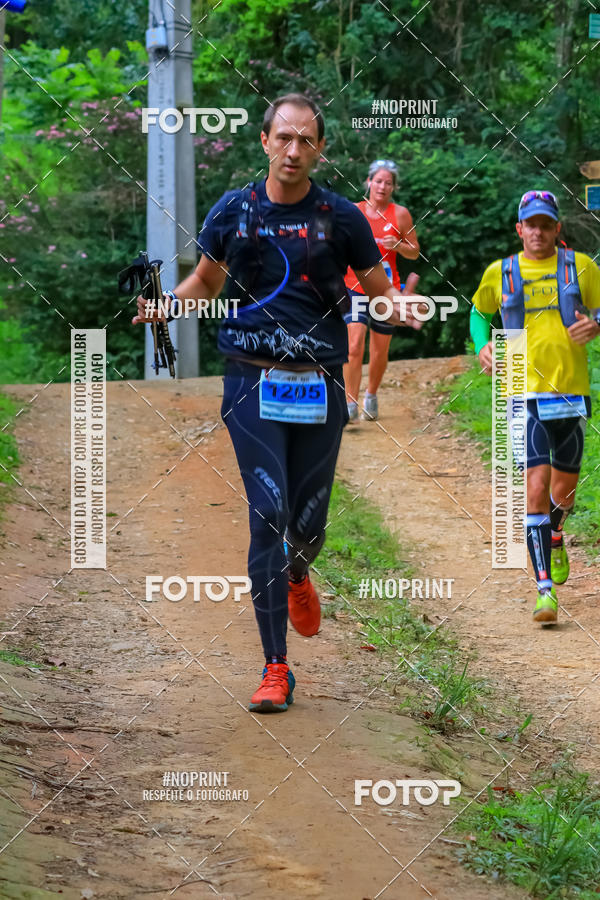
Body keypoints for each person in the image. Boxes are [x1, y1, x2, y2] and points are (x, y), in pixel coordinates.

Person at [133, 93, 421, 711]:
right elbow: (207, 279)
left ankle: (298, 572)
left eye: (307, 141)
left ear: (320, 150)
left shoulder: (341, 217)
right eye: (283, 139)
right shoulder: (234, 210)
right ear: (264, 142)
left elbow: (378, 288)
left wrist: (405, 308)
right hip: (251, 381)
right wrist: (167, 305)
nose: (294, 151)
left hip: (319, 382)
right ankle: (275, 666)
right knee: (267, 514)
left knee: (307, 526)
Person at [470, 190, 600, 624]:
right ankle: (544, 590)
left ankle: (557, 534)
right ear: (519, 229)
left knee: (564, 492)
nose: (538, 232)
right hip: (518, 388)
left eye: (546, 224)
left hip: (569, 389)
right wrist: (483, 344)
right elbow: (477, 311)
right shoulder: (500, 272)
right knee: (534, 488)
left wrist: (595, 324)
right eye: (531, 225)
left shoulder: (579, 267)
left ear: (556, 229)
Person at [343, 159, 420, 422]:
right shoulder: (354, 212)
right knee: (353, 346)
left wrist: (398, 244)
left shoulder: (400, 215)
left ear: (393, 188)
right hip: (354, 286)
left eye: (388, 183)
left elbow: (414, 251)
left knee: (379, 350)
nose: (383, 186)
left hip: (387, 291)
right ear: (368, 182)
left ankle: (371, 395)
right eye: (378, 181)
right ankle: (350, 403)